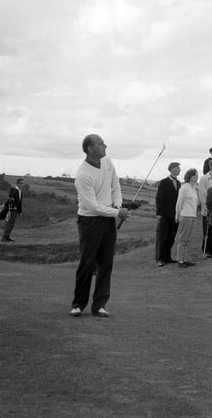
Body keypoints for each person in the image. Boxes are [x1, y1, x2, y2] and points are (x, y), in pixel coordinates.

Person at [70, 134, 129, 318]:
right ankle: (79, 304)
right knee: (87, 263)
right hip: (89, 221)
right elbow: (92, 206)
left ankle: (100, 305)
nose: (105, 146)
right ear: (90, 149)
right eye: (101, 144)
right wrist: (117, 213)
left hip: (107, 220)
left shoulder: (108, 162)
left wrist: (118, 205)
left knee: (106, 263)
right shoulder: (83, 175)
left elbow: (115, 185)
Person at [155, 162, 181, 266]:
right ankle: (160, 258)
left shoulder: (179, 183)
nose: (179, 170)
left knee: (171, 237)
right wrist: (159, 213)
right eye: (178, 168)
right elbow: (159, 198)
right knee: (163, 237)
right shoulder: (164, 182)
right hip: (165, 214)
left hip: (175, 215)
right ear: (172, 169)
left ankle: (167, 257)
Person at [175, 168, 199, 268]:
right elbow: (179, 202)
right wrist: (177, 214)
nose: (197, 177)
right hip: (186, 215)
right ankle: (180, 260)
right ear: (192, 176)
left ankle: (184, 259)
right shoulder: (185, 188)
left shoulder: (193, 188)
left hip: (192, 215)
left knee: (187, 239)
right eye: (196, 175)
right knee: (183, 239)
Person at [198, 158, 212, 256]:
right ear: (211, 166)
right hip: (208, 209)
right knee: (207, 230)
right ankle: (207, 250)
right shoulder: (204, 178)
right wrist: (207, 207)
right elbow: (203, 194)